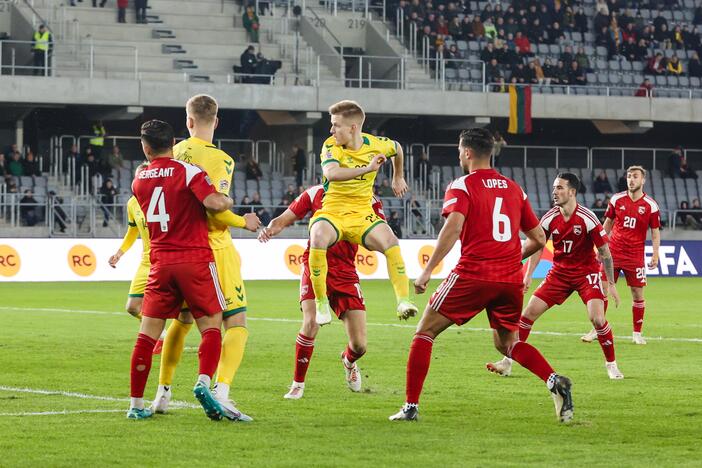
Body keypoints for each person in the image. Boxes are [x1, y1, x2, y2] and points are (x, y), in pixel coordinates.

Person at [389, 129, 573, 423]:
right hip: (510, 278)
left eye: (459, 151)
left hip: (474, 274)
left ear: (467, 153)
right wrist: (511, 258)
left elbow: (453, 228)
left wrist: (427, 270)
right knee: (507, 344)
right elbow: (538, 238)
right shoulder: (515, 189)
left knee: (424, 332)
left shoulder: (462, 185)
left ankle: (410, 407)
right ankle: (554, 380)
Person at [151, 95, 260, 421]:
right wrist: (245, 221)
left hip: (177, 248)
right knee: (236, 323)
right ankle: (222, 392)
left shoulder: (173, 153)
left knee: (182, 322)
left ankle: (162, 393)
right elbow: (215, 211)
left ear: (188, 121)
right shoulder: (219, 159)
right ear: (216, 121)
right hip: (213, 249)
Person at [127, 119, 235, 421]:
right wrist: (228, 198)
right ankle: (203, 382)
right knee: (212, 323)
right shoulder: (189, 172)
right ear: (173, 143)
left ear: (145, 147)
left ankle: (136, 404)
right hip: (195, 260)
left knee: (147, 335)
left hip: (160, 263)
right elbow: (214, 204)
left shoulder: (139, 180)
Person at [487, 172, 623, 381]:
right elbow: (537, 245)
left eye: (560, 187)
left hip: (586, 273)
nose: (554, 192)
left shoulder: (587, 218)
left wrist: (611, 283)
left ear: (572, 191)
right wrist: (528, 274)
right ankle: (507, 363)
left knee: (597, 318)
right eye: (554, 188)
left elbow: (605, 252)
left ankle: (611, 365)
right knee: (527, 315)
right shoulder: (550, 217)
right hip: (559, 273)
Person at [259, 186, 386, 399]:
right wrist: (270, 229)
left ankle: (348, 360)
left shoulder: (367, 198)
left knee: (360, 345)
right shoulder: (315, 193)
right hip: (315, 264)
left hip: (345, 271)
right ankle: (297, 384)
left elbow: (379, 236)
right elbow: (283, 218)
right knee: (311, 322)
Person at [308, 100, 417, 326]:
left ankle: (403, 301)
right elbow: (331, 173)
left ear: (353, 128)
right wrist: (367, 168)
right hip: (333, 211)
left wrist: (399, 176)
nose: (331, 130)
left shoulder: (376, 144)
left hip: (361, 213)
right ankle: (320, 303)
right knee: (318, 235)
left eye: (336, 125)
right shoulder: (330, 146)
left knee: (391, 241)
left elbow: (397, 148)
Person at [581, 166, 661, 345]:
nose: (631, 180)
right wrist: (601, 249)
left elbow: (655, 232)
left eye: (635, 177)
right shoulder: (617, 199)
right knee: (601, 291)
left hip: (635, 255)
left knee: (637, 294)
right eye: (629, 177)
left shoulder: (650, 205)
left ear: (643, 180)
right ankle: (596, 329)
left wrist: (655, 254)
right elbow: (607, 224)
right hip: (612, 253)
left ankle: (637, 333)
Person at [108, 166, 167, 353]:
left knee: (185, 310)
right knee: (132, 307)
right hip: (146, 262)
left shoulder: (164, 198)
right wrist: (119, 253)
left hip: (167, 259)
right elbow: (133, 230)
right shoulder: (132, 203)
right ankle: (163, 334)